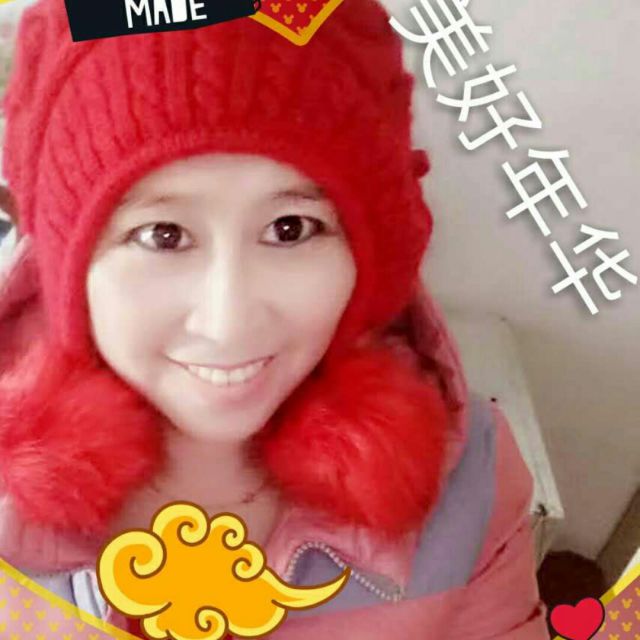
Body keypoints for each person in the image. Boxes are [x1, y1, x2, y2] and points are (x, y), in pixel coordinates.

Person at [0, 0, 550, 637]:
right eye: (162, 235)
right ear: (67, 262)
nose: (228, 321)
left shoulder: (467, 478)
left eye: (291, 229)